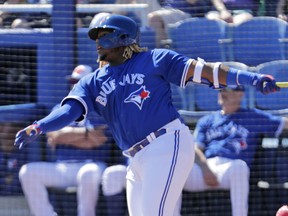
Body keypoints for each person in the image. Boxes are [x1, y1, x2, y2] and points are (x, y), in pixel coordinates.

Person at [14, 14, 280, 216]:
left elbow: (206, 71)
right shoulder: (91, 81)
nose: (98, 42)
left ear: (123, 38)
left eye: (105, 35)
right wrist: (39, 126)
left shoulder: (155, 59)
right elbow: (69, 110)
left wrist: (251, 78)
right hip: (135, 156)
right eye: (96, 37)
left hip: (166, 142)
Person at [18, 64, 113, 216]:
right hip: (62, 167)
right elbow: (53, 136)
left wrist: (65, 136)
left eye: (78, 82)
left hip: (92, 164)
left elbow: (98, 139)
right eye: (72, 82)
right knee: (28, 172)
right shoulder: (60, 108)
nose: (74, 85)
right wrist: (85, 134)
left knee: (88, 173)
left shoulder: (99, 108)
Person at [179, 85, 288, 216]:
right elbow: (196, 149)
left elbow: (284, 123)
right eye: (221, 90)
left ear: (240, 94)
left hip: (230, 169)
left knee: (240, 168)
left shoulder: (252, 116)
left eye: (228, 90)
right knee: (174, 171)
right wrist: (205, 168)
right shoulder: (206, 121)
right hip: (205, 167)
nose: (223, 93)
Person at [0, 122, 28, 195]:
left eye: (10, 134)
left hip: (18, 196)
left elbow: (17, 180)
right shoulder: (2, 154)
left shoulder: (21, 153)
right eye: (4, 138)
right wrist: (5, 180)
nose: (5, 136)